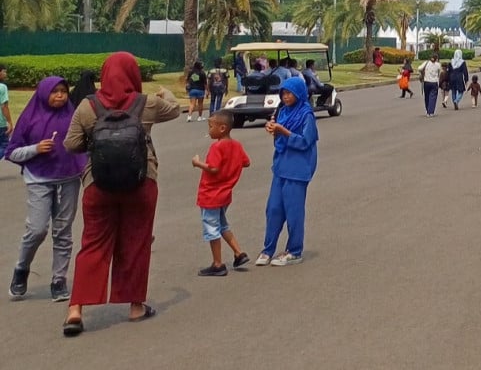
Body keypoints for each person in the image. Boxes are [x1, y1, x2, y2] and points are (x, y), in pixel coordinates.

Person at [61, 52, 182, 336]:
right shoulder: (147, 103)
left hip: (98, 183)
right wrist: (166, 91)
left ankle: (76, 308)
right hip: (141, 181)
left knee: (92, 243)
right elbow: (176, 110)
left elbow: (71, 144)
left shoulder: (87, 106)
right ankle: (135, 305)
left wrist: (96, 145)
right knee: (136, 241)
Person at [4, 76, 87, 301]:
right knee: (37, 229)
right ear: (43, 93)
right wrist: (35, 149)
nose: (60, 95)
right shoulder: (30, 118)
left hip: (69, 178)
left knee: (63, 230)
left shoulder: (72, 116)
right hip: (38, 179)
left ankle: (58, 280)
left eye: (63, 91)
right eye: (54, 91)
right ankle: (21, 270)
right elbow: (12, 152)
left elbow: (84, 145)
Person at [257, 78, 319, 267]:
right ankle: (268, 249)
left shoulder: (306, 114)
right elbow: (278, 136)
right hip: (281, 165)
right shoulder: (282, 111)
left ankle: (294, 250)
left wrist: (283, 131)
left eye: (289, 93)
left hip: (298, 168)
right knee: (274, 208)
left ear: (299, 93)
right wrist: (272, 129)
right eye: (283, 93)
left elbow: (305, 141)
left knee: (293, 211)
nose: (285, 96)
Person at [191, 111, 250, 276]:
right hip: (225, 194)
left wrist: (198, 163)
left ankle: (217, 263)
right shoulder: (236, 145)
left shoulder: (217, 146)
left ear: (222, 128)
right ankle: (239, 253)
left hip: (211, 194)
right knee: (223, 225)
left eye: (211, 127)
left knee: (212, 228)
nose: (209, 130)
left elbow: (214, 168)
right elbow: (246, 162)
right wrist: (232, 167)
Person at [421, 52, 443, 117]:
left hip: (426, 82)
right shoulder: (438, 65)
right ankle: (431, 112)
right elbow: (440, 72)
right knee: (433, 97)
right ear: (436, 59)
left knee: (427, 97)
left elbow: (419, 68)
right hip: (434, 82)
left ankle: (428, 111)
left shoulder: (426, 63)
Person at [0, 67, 11, 152]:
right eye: (4, 72)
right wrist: (9, 122)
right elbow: (4, 106)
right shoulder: (2, 87)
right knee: (4, 146)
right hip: (1, 123)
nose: (5, 74)